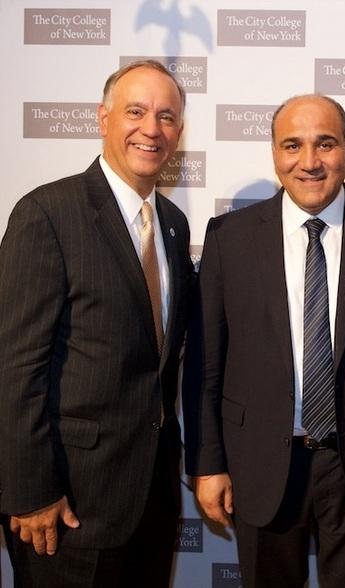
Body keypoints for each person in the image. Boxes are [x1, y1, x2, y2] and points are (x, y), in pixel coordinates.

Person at [183, 94, 345, 587]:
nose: (309, 162)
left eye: (325, 144)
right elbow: (206, 366)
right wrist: (207, 463)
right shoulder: (230, 237)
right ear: (274, 153)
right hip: (259, 462)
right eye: (292, 145)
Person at [0, 59, 193, 587]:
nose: (151, 129)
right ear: (102, 119)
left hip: (150, 503)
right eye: (136, 111)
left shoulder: (173, 226)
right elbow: (16, 368)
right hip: (65, 506)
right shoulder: (47, 213)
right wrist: (30, 490)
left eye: (167, 116)